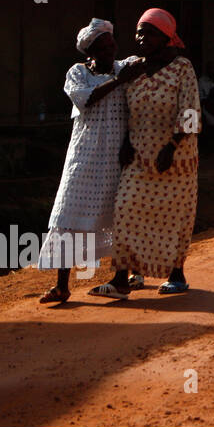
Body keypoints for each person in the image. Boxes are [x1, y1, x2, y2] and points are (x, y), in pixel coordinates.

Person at [92, 8, 200, 299]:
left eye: (149, 33)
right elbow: (127, 111)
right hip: (139, 156)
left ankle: (176, 274)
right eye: (139, 32)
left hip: (176, 160)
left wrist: (171, 147)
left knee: (175, 217)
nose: (141, 38)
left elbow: (189, 113)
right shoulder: (134, 69)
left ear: (165, 36)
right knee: (126, 210)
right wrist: (126, 142)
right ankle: (121, 279)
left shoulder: (182, 68)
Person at [36, 19, 142, 304]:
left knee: (122, 213)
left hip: (118, 154)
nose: (109, 50)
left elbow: (150, 62)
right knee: (67, 213)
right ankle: (62, 285)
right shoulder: (78, 73)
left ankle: (125, 276)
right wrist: (118, 81)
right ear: (90, 52)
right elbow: (86, 100)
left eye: (111, 44)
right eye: (102, 47)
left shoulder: (126, 67)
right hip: (84, 154)